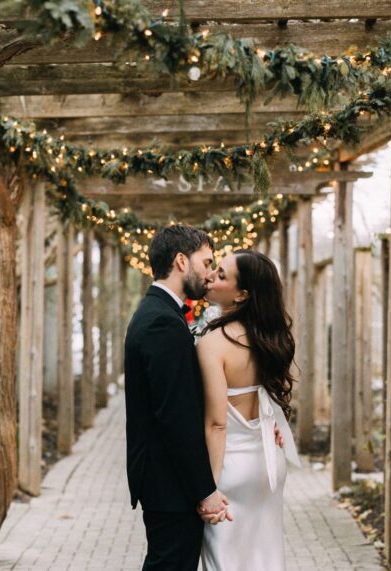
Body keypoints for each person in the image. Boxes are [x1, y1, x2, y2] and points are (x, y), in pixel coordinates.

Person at [124, 225, 231, 571]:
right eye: (207, 261)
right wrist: (205, 490)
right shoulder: (161, 322)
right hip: (169, 483)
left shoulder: (161, 313)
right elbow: (176, 417)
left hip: (164, 478)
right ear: (182, 261)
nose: (211, 271)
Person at [197, 249, 301, 571]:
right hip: (267, 466)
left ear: (242, 294)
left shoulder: (214, 343)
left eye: (222, 275)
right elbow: (265, 399)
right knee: (264, 559)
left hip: (229, 471)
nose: (212, 276)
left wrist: (209, 488)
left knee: (224, 564)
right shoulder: (268, 337)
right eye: (215, 268)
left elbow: (217, 424)